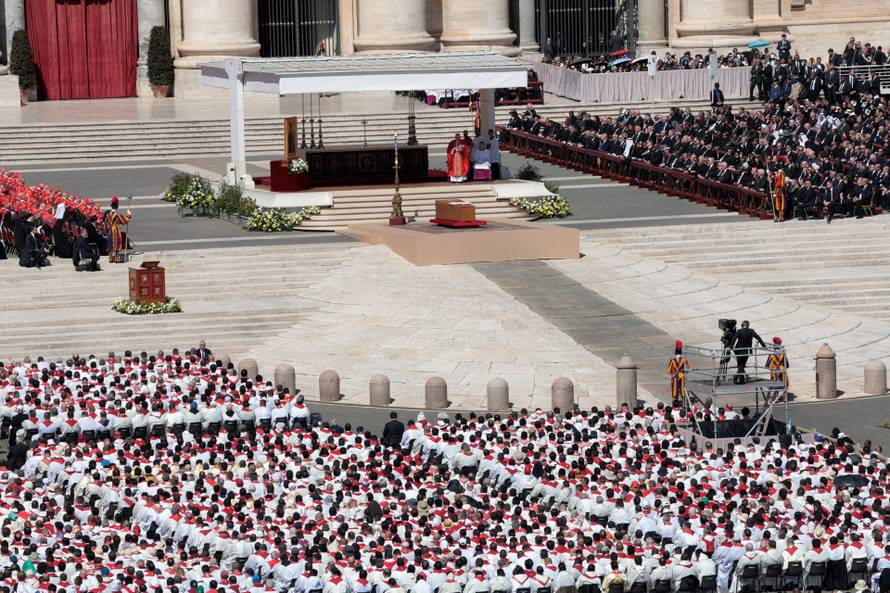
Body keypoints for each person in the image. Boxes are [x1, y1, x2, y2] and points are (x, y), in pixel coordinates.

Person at [105, 196, 131, 263]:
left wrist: (107, 230)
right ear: (117, 206)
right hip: (115, 229)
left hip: (110, 229)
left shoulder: (108, 214)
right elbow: (123, 221)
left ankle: (111, 258)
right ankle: (116, 258)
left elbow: (105, 223)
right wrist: (129, 215)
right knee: (116, 243)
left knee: (111, 242)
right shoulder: (116, 214)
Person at [666, 340, 688, 406]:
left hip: (675, 376)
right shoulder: (684, 360)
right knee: (682, 391)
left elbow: (669, 370)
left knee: (675, 392)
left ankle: (675, 404)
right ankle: (683, 404)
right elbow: (687, 370)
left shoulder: (673, 360)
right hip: (681, 376)